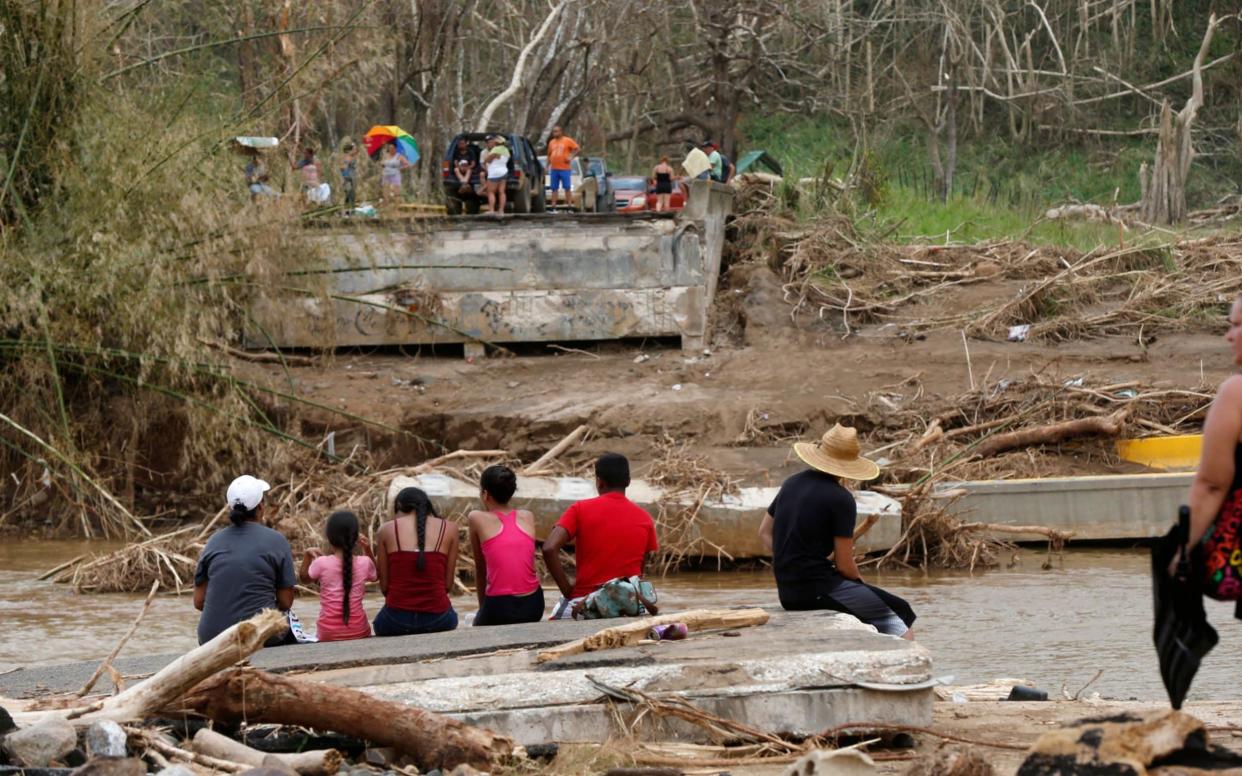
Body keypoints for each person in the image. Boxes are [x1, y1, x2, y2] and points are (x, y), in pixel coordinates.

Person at [759, 424, 916, 640]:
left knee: (878, 605)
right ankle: (905, 668)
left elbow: (764, 532)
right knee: (899, 611)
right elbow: (845, 565)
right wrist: (860, 583)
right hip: (817, 589)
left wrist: (789, 561)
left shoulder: (792, 483)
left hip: (787, 591)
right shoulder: (840, 498)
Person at [542, 453, 660, 619]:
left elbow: (548, 548)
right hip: (628, 605)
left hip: (585, 601)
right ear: (628, 481)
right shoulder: (645, 518)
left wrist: (568, 591)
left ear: (599, 481)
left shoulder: (579, 509)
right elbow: (639, 573)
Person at [194, 475, 297, 646]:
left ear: (230, 507)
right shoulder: (276, 540)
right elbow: (286, 601)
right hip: (261, 636)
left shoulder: (213, 541)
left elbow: (198, 602)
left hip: (211, 640)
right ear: (261, 507)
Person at [1186, 295, 1242, 591]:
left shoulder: (1236, 395)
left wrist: (1181, 550)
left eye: (1236, 326)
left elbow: (1211, 485)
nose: (1228, 335)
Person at [373, 487, 459, 635]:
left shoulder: (385, 530)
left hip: (395, 622)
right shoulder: (450, 528)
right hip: (440, 620)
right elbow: (447, 585)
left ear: (399, 507)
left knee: (379, 622)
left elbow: (385, 588)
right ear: (426, 506)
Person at [467, 465, 544, 626]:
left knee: (473, 623)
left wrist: (483, 609)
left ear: (485, 494)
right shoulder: (527, 516)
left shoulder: (476, 517)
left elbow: (480, 568)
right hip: (534, 605)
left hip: (499, 607)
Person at [299, 511, 377, 641]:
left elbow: (304, 579)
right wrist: (368, 550)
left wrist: (307, 556)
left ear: (329, 538)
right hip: (359, 631)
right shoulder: (365, 562)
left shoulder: (322, 563)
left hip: (327, 634)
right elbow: (376, 576)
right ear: (355, 538)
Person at [545, 125, 580, 210]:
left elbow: (577, 148)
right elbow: (549, 154)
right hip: (554, 169)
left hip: (564, 168)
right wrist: (547, 166)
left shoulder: (567, 140)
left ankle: (569, 206)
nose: (555, 133)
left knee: (567, 187)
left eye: (556, 131)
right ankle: (553, 206)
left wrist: (571, 156)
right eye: (554, 132)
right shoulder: (552, 142)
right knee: (554, 188)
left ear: (561, 132)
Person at [481, 135, 510, 216]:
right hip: (504, 171)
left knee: (491, 192)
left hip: (494, 173)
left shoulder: (496, 149)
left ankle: (491, 210)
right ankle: (501, 211)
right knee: (502, 192)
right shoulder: (506, 150)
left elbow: (488, 159)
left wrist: (485, 161)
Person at [339, 142, 358, 208]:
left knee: (351, 193)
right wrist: (345, 177)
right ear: (349, 151)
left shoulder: (350, 156)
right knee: (350, 193)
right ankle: (350, 208)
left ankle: (349, 208)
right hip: (349, 177)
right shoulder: (347, 157)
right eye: (352, 149)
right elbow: (343, 168)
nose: (354, 151)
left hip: (352, 176)